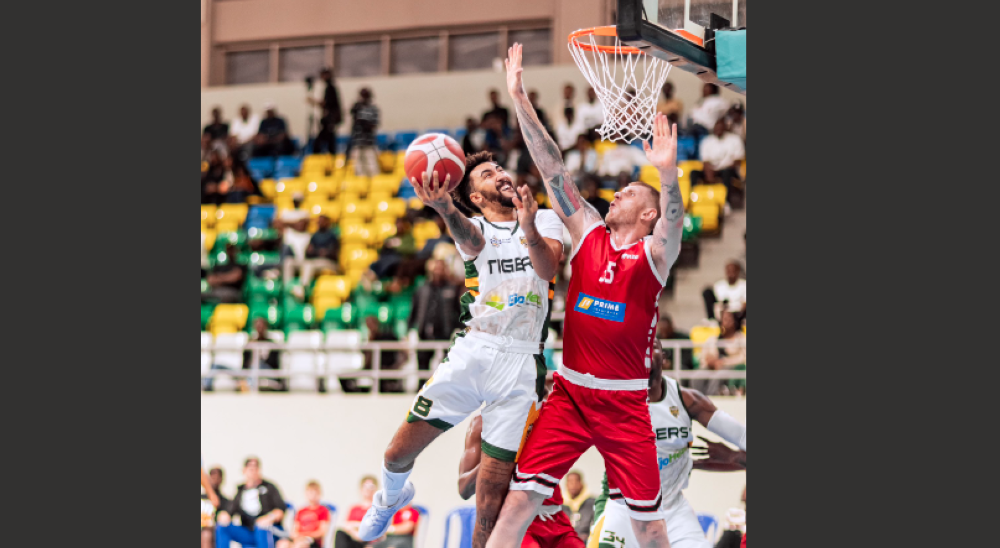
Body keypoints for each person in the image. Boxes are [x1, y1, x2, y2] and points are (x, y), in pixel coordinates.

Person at [484, 44, 688, 548]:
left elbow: (675, 220)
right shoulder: (589, 230)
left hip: (624, 403)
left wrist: (666, 175)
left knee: (649, 525)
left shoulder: (655, 255)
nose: (617, 193)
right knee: (519, 502)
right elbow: (553, 168)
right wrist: (520, 99)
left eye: (630, 193)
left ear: (647, 214)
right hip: (571, 392)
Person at [356, 153, 564, 547]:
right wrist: (445, 208)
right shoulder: (474, 227)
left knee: (489, 502)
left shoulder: (543, 219)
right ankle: (390, 497)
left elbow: (548, 269)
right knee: (396, 456)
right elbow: (470, 239)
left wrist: (529, 227)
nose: (501, 174)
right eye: (488, 174)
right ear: (476, 196)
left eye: (501, 168)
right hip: (474, 350)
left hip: (521, 364)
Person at [588, 340, 747, 548]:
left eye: (651, 346)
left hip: (672, 510)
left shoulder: (686, 399)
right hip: (623, 508)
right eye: (638, 347)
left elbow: (743, 437)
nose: (644, 352)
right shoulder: (617, 401)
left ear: (663, 356)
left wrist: (736, 457)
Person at [458, 415, 584, 548]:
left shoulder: (548, 411)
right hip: (516, 520)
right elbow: (464, 489)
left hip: (555, 517)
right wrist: (496, 459)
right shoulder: (482, 424)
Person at [216, 457, 287, 548]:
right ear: (244, 470)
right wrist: (224, 515)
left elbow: (280, 510)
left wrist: (269, 518)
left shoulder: (269, 487)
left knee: (261, 526)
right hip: (248, 531)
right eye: (250, 469)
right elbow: (230, 511)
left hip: (268, 530)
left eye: (256, 468)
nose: (253, 472)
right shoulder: (240, 491)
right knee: (222, 526)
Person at [408, 259, 462, 371]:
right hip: (424, 334)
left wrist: (458, 328)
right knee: (422, 367)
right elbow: (414, 311)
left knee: (446, 368)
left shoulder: (452, 289)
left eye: (441, 268)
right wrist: (411, 329)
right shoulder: (422, 289)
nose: (438, 271)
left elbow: (458, 311)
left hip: (445, 334)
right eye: (436, 268)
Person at [697, 311, 746, 396]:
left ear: (735, 321)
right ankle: (696, 399)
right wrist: (709, 361)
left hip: (731, 367)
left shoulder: (741, 338)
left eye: (729, 319)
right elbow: (703, 356)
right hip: (711, 366)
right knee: (697, 376)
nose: (727, 322)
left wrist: (724, 362)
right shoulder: (713, 339)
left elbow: (744, 358)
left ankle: (711, 399)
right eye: (725, 319)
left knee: (718, 375)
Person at [691, 120, 744, 197]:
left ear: (724, 128)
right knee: (693, 173)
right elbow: (705, 160)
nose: (718, 130)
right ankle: (694, 198)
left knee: (727, 173)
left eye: (721, 128)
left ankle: (726, 200)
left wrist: (725, 168)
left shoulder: (734, 139)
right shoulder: (707, 141)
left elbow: (738, 160)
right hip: (712, 170)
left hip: (729, 169)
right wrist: (709, 173)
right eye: (717, 128)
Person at [284, 214, 340, 286]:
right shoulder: (315, 235)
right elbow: (308, 252)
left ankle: (303, 287)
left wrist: (317, 251)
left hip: (328, 263)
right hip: (313, 261)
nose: (319, 223)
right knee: (289, 262)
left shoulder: (332, 236)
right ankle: (288, 287)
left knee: (309, 265)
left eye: (322, 221)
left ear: (327, 222)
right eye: (319, 221)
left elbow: (331, 253)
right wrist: (318, 251)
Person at [278, 481, 331, 548]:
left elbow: (322, 532)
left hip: (312, 541)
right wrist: (296, 536)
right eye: (310, 492)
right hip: (299, 539)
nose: (312, 495)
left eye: (314, 493)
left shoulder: (323, 510)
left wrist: (305, 535)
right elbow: (294, 530)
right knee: (282, 544)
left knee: (300, 545)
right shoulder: (301, 511)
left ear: (319, 494)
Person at [275, 193, 313, 285]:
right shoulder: (286, 211)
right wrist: (295, 223)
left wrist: (287, 223)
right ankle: (279, 270)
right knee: (285, 247)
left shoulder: (305, 212)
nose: (296, 203)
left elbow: (301, 225)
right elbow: (277, 223)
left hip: (301, 241)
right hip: (290, 241)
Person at [337, 476, 379, 548]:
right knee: (340, 533)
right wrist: (355, 534)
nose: (368, 489)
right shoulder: (354, 508)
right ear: (361, 489)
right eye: (365, 486)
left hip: (371, 541)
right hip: (355, 538)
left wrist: (356, 525)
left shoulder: (378, 508)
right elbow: (347, 525)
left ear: (375, 489)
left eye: (371, 486)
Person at [310, 68, 344, 154]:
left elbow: (328, 104)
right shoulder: (330, 87)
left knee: (325, 141)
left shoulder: (330, 88)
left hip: (329, 121)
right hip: (329, 121)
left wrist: (314, 101)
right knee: (327, 140)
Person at [349, 88, 380, 176]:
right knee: (358, 168)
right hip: (357, 142)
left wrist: (363, 122)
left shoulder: (373, 109)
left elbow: (374, 125)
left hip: (369, 142)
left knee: (372, 166)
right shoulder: (358, 108)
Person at [561, 471, 595, 541]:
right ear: (566, 484)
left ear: (581, 484)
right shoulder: (560, 505)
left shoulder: (592, 503)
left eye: (576, 481)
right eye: (570, 482)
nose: (573, 485)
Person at [202, 461, 223, 548]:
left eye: (217, 477)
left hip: (211, 529)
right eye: (212, 477)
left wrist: (211, 494)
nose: (215, 479)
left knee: (207, 534)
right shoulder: (202, 498)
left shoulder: (223, 500)